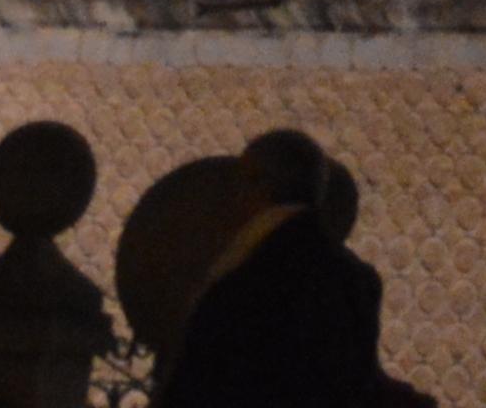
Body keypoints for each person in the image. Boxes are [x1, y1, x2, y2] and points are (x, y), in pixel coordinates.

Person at [160, 131, 386, 408]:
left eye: (239, 181)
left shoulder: (244, 275)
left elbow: (201, 379)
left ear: (257, 183)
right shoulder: (358, 279)